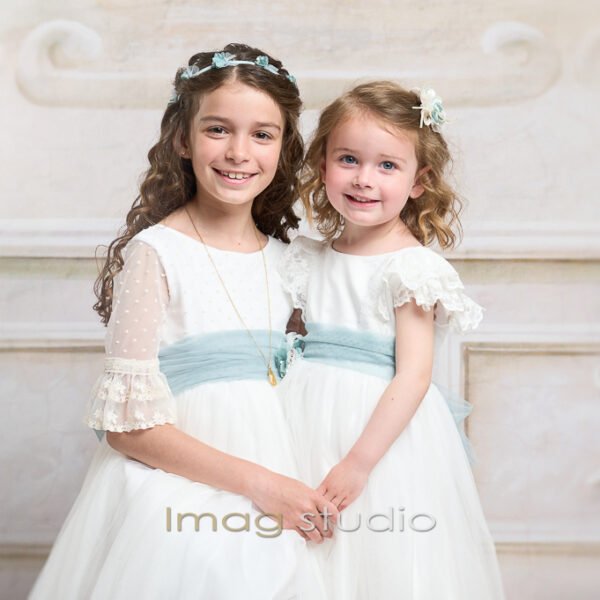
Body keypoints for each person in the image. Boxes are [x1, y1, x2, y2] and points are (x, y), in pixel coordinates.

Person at [29, 43, 337, 600]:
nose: (239, 152)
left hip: (290, 483)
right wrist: (263, 487)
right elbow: (126, 428)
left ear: (284, 147)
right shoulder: (158, 253)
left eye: (262, 134)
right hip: (185, 495)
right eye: (218, 129)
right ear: (182, 139)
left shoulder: (290, 261)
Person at [278, 81, 505, 599]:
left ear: (419, 181)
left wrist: (358, 463)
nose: (364, 179)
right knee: (302, 556)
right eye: (349, 160)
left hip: (374, 435)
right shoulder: (310, 257)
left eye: (387, 165)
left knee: (374, 554)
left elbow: (414, 375)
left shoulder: (410, 267)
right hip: (303, 414)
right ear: (323, 165)